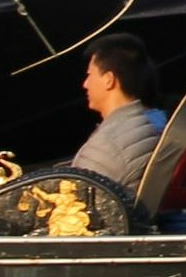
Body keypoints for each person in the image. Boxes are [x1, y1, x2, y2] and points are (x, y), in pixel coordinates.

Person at [63, 34, 168, 189]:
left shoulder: (106, 146)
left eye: (89, 75)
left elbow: (79, 203)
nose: (85, 84)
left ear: (109, 80)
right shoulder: (150, 125)